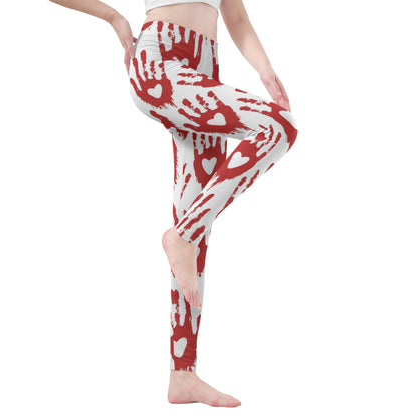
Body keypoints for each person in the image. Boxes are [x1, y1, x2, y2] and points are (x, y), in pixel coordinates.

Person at [49, 0, 298, 407]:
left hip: (204, 68)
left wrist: (264, 69)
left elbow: (235, 17)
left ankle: (183, 376)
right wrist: (114, 18)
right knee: (278, 127)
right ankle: (181, 236)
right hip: (161, 61)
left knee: (194, 225)